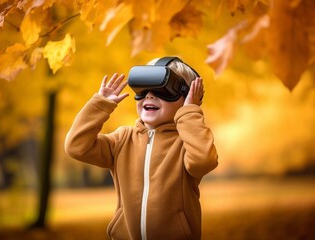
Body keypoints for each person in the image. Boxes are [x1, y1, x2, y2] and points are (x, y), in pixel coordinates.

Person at [64, 56, 218, 240]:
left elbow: (203, 161)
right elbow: (76, 146)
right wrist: (100, 105)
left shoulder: (186, 143)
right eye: (144, 90)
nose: (150, 96)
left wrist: (190, 113)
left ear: (186, 99)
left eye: (163, 90)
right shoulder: (123, 140)